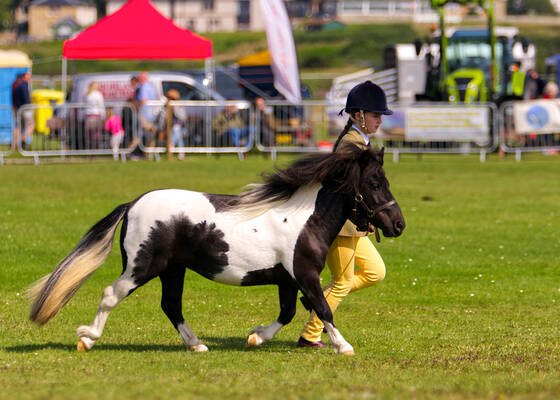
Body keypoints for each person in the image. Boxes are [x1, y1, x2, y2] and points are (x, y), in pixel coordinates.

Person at [297, 81, 393, 351]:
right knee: (343, 282)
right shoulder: (351, 145)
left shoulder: (359, 141)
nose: (379, 121)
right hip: (342, 227)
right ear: (359, 115)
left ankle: (318, 298)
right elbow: (346, 189)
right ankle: (309, 335)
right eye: (376, 115)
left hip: (355, 225)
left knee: (375, 272)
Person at [12, 71, 34, 149]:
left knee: (19, 127)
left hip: (17, 109)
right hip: (24, 110)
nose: (30, 78)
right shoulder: (23, 86)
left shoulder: (16, 85)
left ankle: (14, 145)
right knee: (31, 125)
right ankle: (22, 140)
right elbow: (26, 100)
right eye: (29, 76)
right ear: (24, 76)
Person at [137, 71, 158, 146]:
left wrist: (136, 105)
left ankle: (146, 150)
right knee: (150, 133)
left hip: (145, 114)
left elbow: (143, 100)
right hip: (150, 113)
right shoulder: (150, 86)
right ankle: (150, 150)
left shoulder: (144, 87)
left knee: (146, 132)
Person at [84, 81, 106, 148]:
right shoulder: (98, 94)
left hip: (88, 115)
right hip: (96, 115)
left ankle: (90, 148)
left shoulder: (87, 94)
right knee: (96, 133)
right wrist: (103, 116)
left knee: (89, 134)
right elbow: (101, 105)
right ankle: (95, 148)